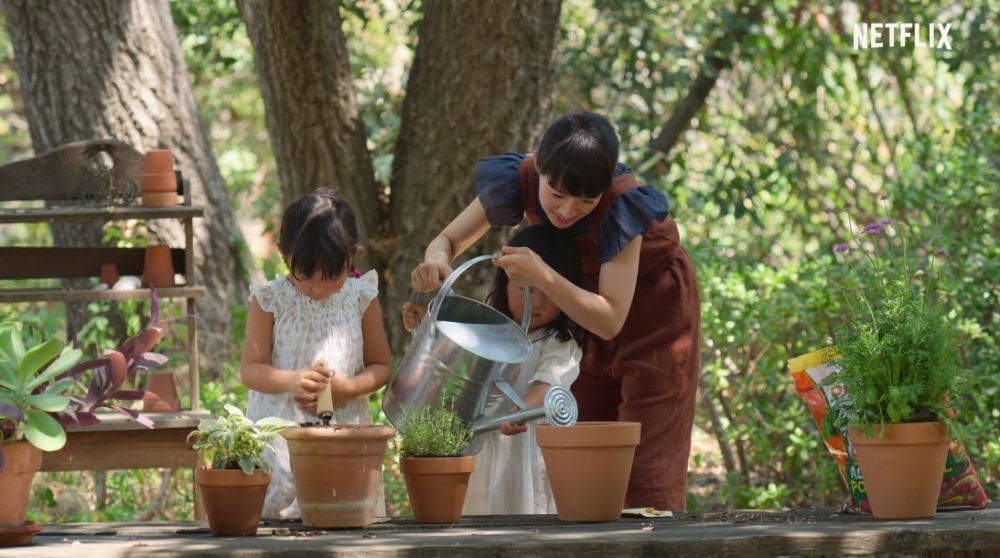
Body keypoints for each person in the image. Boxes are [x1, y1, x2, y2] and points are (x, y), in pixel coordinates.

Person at [410, 110, 701, 512]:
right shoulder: (520, 177)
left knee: (644, 460)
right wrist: (436, 262)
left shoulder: (623, 205)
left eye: (586, 200)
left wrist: (545, 277)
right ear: (541, 169)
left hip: (653, 314)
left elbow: (611, 319)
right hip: (577, 306)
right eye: (557, 194)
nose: (566, 210)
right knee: (580, 446)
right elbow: (446, 239)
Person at [403, 225, 586, 515]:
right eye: (526, 290)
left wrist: (521, 409)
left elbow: (548, 384)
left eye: (548, 292)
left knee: (526, 515)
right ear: (504, 284)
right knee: (480, 511)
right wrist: (425, 328)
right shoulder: (489, 333)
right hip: (484, 444)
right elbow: (453, 367)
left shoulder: (559, 345)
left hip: (527, 448)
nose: (536, 303)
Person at [240, 188, 392, 520]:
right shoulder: (269, 301)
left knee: (339, 515)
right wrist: (292, 380)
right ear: (283, 254)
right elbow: (251, 370)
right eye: (304, 274)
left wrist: (345, 389)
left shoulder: (361, 298)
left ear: (353, 256)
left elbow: (381, 366)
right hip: (278, 438)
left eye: (333, 275)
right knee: (276, 525)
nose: (317, 287)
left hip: (342, 436)